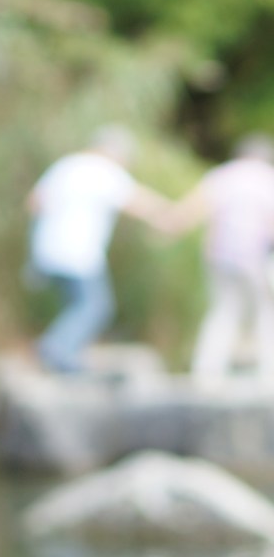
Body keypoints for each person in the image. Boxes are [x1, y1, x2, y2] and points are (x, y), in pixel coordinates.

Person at [27, 126, 170, 374]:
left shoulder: (66, 165)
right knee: (96, 306)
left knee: (77, 306)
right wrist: (171, 214)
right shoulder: (103, 170)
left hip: (47, 250)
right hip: (78, 253)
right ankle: (57, 348)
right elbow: (139, 201)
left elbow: (34, 202)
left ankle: (65, 357)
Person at [167, 134, 274, 383]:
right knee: (266, 312)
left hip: (219, 256)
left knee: (224, 310)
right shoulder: (267, 178)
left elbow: (192, 209)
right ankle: (268, 372)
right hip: (255, 257)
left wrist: (170, 226)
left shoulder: (223, 176)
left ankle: (207, 371)